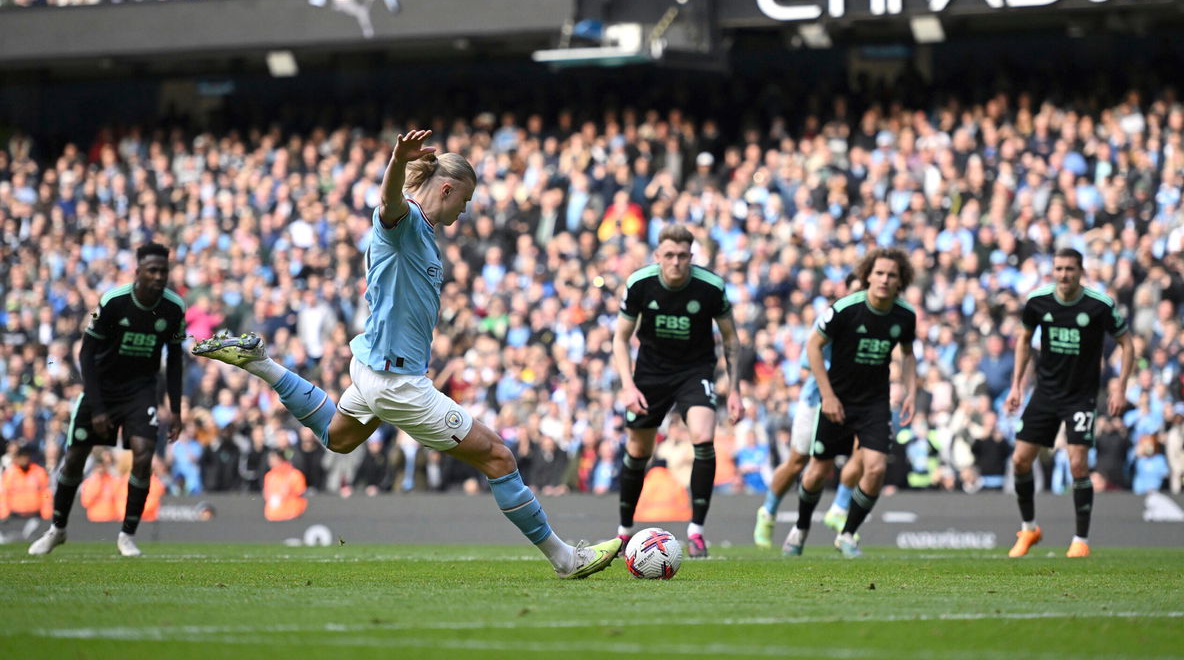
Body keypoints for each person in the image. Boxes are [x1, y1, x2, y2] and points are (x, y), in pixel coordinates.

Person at [192, 129, 620, 579]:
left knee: (338, 438)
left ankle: (263, 364)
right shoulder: (408, 221)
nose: (465, 210)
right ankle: (565, 559)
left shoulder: (424, 233)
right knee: (499, 457)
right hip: (397, 383)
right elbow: (387, 205)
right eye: (465, 200)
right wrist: (397, 160)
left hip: (374, 369)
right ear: (448, 188)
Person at [29, 242, 186, 557]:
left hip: (141, 391)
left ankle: (127, 535)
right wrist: (97, 405)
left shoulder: (173, 308)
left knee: (143, 456)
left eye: (164, 271)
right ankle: (57, 529)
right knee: (76, 456)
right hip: (103, 386)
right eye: (152, 270)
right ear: (138, 271)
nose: (159, 277)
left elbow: (176, 360)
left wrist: (177, 411)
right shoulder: (114, 302)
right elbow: (86, 351)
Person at [612, 223, 745, 559]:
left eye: (682, 256)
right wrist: (628, 387)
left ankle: (697, 531)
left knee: (703, 436)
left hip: (694, 370)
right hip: (650, 373)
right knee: (638, 451)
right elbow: (620, 338)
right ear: (658, 256)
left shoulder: (710, 287)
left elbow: (730, 338)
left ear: (691, 257)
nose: (675, 262)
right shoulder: (640, 284)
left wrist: (736, 391)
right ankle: (624, 532)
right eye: (669, 255)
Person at [782, 247, 918, 558]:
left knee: (876, 469)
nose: (884, 279)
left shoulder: (904, 316)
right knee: (817, 472)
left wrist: (910, 391)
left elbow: (908, 354)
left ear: (901, 281)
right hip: (837, 401)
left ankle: (847, 534)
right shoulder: (845, 308)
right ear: (868, 275)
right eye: (879, 273)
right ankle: (800, 528)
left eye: (891, 275)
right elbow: (813, 345)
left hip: (874, 403)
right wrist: (827, 395)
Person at [1005, 248, 1134, 559]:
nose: (1063, 275)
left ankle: (1080, 540)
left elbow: (1127, 343)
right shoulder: (1038, 301)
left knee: (1077, 463)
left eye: (1070, 269)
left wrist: (1120, 388)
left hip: (1081, 395)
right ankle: (1029, 529)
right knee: (1021, 460)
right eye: (1059, 269)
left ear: (1081, 271)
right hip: (1045, 392)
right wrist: (1016, 385)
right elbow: (1024, 339)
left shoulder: (1099, 305)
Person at [754, 283, 864, 551]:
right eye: (856, 290)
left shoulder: (873, 324)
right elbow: (807, 364)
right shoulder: (831, 320)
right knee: (799, 462)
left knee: (868, 451)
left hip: (854, 402)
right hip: (817, 401)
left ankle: (839, 506)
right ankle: (768, 512)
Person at [1, 442, 53, 521]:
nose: (24, 460)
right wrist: (4, 513)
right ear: (17, 459)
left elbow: (46, 493)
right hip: (15, 516)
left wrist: (47, 512)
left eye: (25, 457)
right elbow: (4, 494)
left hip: (35, 515)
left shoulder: (38, 472)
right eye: (21, 457)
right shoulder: (10, 473)